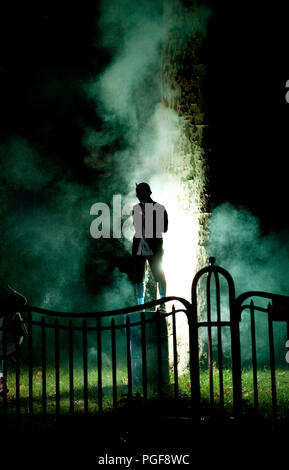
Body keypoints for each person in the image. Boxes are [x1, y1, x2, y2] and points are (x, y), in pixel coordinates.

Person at [132, 182, 168, 310]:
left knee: (159, 274)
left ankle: (162, 303)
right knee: (138, 277)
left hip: (153, 247)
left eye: (140, 194)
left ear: (147, 193)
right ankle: (140, 305)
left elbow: (164, 228)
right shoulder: (136, 209)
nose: (138, 196)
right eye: (138, 194)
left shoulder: (159, 208)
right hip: (140, 247)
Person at [0, 284, 27, 396]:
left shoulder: (7, 297)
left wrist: (11, 291)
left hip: (11, 337)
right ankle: (1, 384)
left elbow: (23, 300)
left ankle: (1, 384)